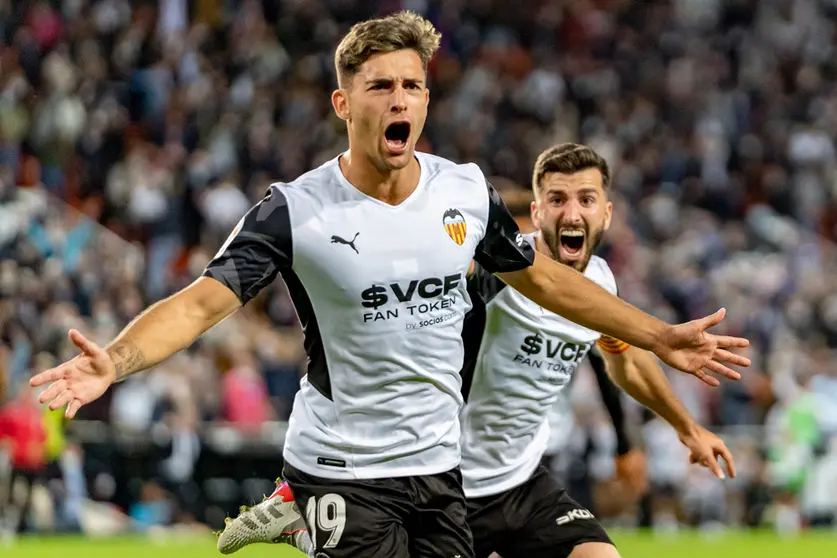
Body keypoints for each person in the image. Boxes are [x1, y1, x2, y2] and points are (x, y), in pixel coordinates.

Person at [30, 13, 750, 558]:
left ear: (426, 101)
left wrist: (659, 334)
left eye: (412, 85)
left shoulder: (463, 194)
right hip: (340, 467)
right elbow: (198, 304)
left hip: (441, 471)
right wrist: (115, 363)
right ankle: (300, 510)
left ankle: (292, 524)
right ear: (344, 106)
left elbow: (548, 285)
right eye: (380, 86)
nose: (398, 99)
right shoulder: (296, 211)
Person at [215, 143, 739, 558]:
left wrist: (684, 427)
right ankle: (310, 509)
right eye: (557, 199)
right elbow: (435, 316)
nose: (571, 211)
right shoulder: (500, 275)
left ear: (606, 213)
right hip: (448, 483)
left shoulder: (600, 283)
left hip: (522, 480)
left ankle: (309, 507)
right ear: (536, 212)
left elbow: (620, 360)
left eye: (585, 199)